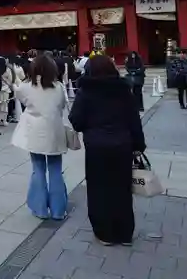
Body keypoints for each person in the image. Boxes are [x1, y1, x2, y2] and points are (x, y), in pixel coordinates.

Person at [69, 55, 146, 246]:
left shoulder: (86, 91)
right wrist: (138, 145)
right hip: (122, 144)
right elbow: (134, 120)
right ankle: (124, 233)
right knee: (122, 188)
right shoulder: (124, 90)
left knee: (98, 189)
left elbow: (76, 121)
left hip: (97, 146)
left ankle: (105, 233)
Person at [11, 54, 69, 221]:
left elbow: (20, 97)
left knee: (38, 169)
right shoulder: (58, 87)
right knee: (56, 169)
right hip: (54, 132)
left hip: (34, 132)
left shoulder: (27, 87)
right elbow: (62, 105)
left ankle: (40, 208)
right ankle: (58, 210)